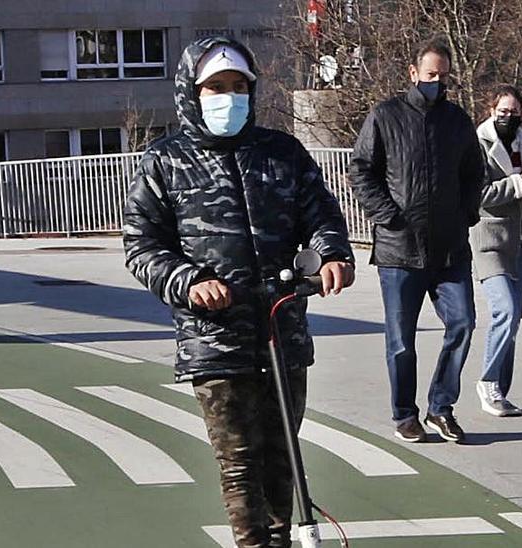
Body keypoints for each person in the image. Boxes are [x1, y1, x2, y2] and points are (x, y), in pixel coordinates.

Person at [122, 37, 355, 547]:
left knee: (282, 456)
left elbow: (321, 215)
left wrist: (333, 254)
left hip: (280, 328)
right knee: (240, 463)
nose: (228, 97)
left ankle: (281, 539)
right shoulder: (166, 161)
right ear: (192, 92)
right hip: (215, 338)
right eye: (216, 87)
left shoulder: (282, 153)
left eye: (238, 87)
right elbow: (142, 245)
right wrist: (190, 282)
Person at [349, 41, 485, 443]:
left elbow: (473, 174)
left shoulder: (457, 121)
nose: (437, 83)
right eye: (430, 76)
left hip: (449, 250)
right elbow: (361, 171)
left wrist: (466, 215)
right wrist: (390, 217)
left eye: (443, 77)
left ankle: (441, 407)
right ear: (413, 73)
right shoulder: (385, 116)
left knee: (462, 322)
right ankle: (405, 414)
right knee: (401, 340)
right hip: (399, 252)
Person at [470, 84, 522, 417]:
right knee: (506, 311)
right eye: (503, 112)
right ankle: (487, 381)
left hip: (520, 242)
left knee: (513, 320)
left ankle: (500, 387)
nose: (509, 117)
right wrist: (520, 182)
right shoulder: (477, 144)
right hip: (488, 240)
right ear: (490, 110)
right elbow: (479, 195)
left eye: (514, 112)